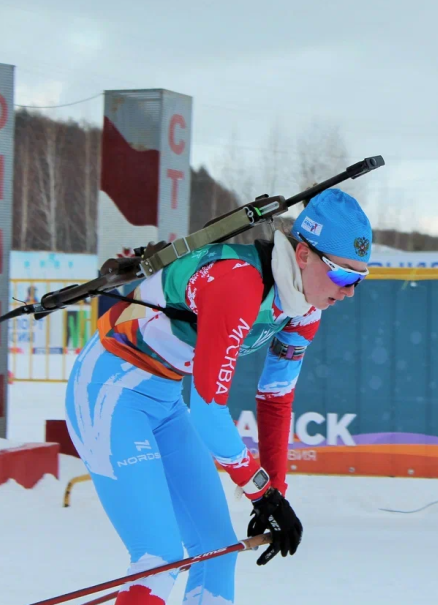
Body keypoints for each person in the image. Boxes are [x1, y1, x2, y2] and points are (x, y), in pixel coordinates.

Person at [64, 188, 372, 605]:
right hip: (109, 392)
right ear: (303, 255)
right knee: (160, 558)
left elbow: (276, 397)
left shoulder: (306, 310)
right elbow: (208, 413)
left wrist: (274, 493)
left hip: (163, 399)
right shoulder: (237, 283)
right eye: (342, 274)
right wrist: (261, 492)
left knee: (216, 554)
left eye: (358, 279)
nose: (350, 291)